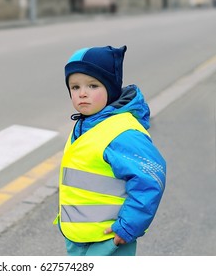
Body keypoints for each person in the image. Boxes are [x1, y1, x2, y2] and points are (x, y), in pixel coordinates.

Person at [54, 45, 166, 256]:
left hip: (109, 239)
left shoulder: (122, 133)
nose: (83, 94)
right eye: (75, 87)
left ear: (111, 88)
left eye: (93, 85)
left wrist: (128, 227)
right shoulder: (85, 124)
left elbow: (151, 178)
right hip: (79, 238)